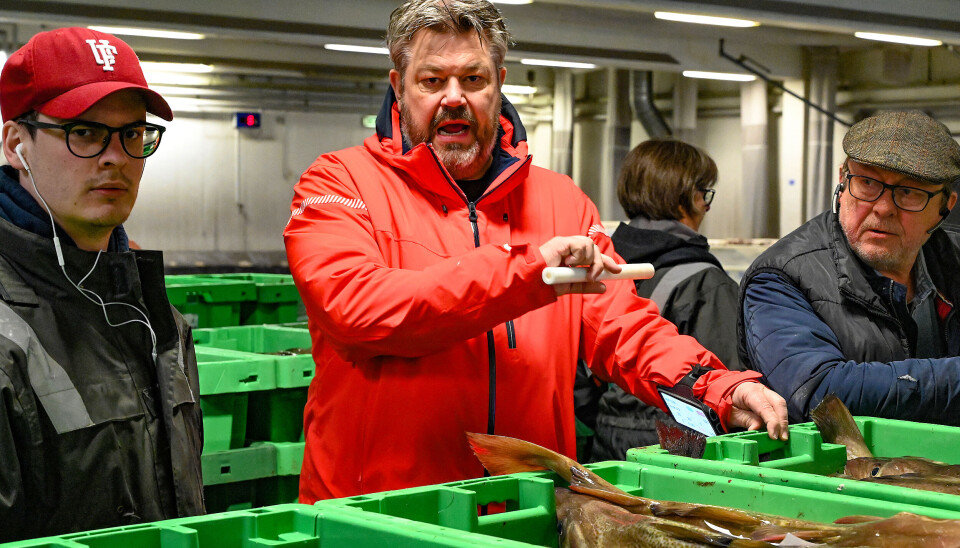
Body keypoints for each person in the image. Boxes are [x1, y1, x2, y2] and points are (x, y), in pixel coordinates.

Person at [285, 0, 788, 503]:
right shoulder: (337, 183)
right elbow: (357, 308)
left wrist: (717, 387)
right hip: (380, 510)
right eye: (432, 81)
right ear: (398, 86)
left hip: (527, 505)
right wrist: (529, 270)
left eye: (474, 80)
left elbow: (621, 328)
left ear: (499, 82)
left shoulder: (561, 200)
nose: (454, 99)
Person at [0, 28, 204, 540]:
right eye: (84, 132)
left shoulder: (157, 318)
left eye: (132, 134)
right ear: (16, 143)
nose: (116, 156)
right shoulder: (7, 334)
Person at [738, 110, 960, 424]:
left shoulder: (952, 263)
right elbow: (818, 393)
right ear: (843, 182)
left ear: (944, 208)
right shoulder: (781, 277)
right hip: (838, 472)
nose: (883, 209)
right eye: (868, 183)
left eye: (908, 192)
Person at [575, 139, 743, 462]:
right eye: (704, 195)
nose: (706, 208)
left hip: (602, 451)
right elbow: (729, 400)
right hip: (672, 455)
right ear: (688, 199)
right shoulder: (706, 284)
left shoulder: (597, 268)